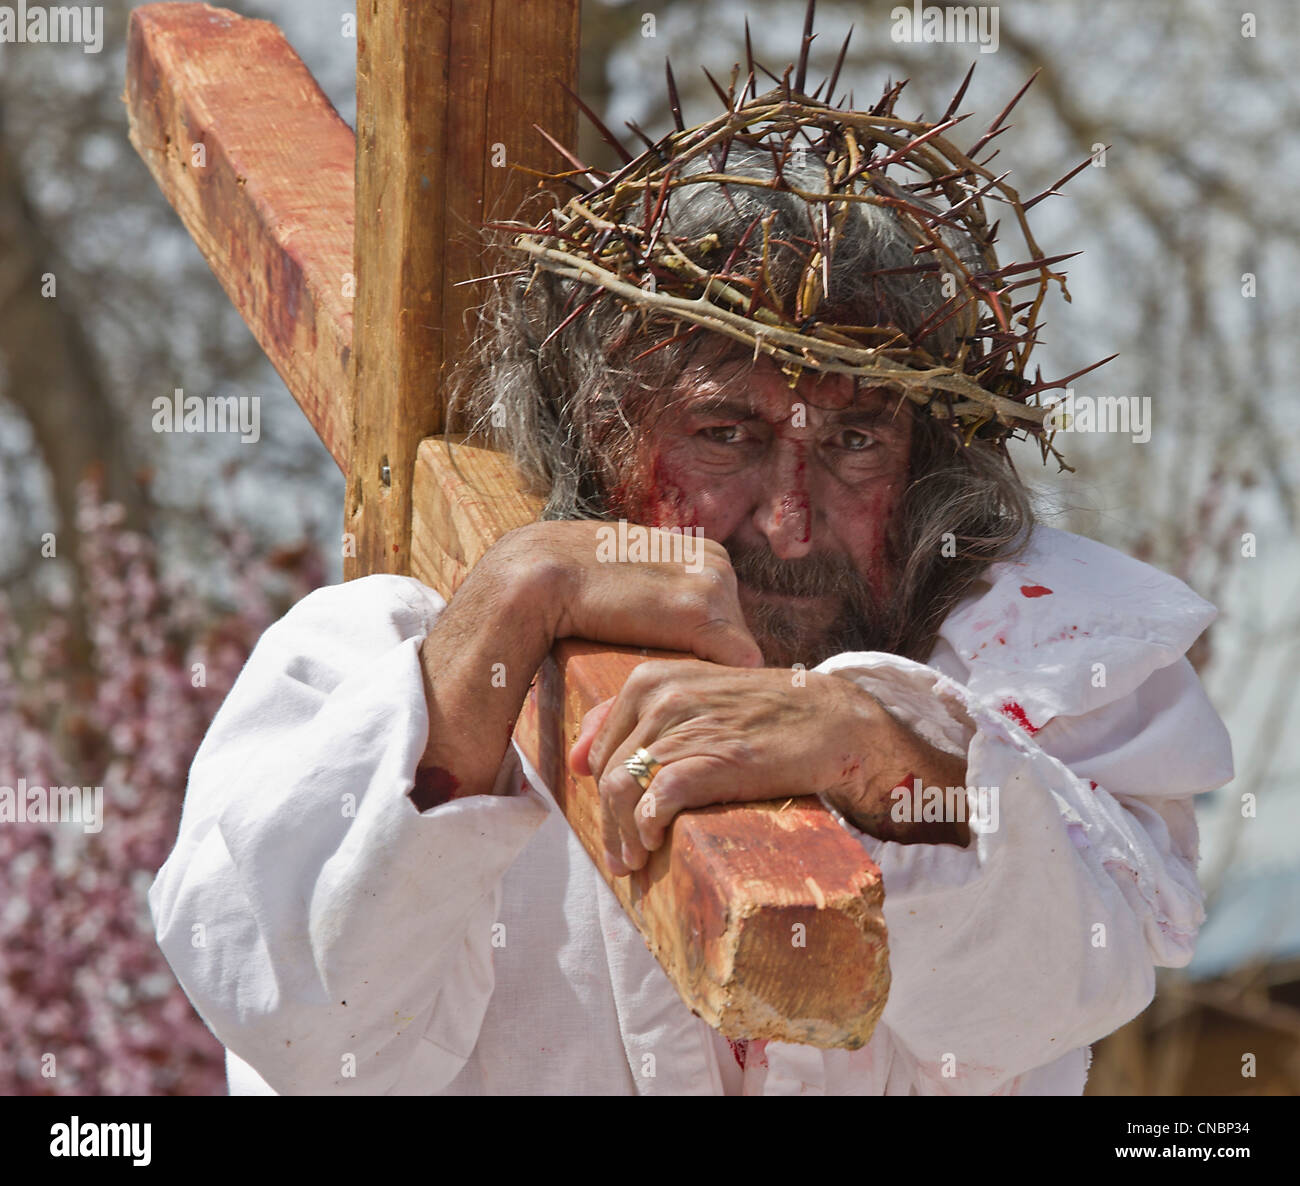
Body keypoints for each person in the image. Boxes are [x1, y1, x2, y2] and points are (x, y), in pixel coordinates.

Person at [149, 59, 1233, 1096]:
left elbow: (1057, 983)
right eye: (724, 433)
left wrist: (875, 751)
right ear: (596, 437)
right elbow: (296, 1015)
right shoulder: (361, 665)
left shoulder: (1036, 677)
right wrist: (498, 627)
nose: (791, 518)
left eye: (857, 439)